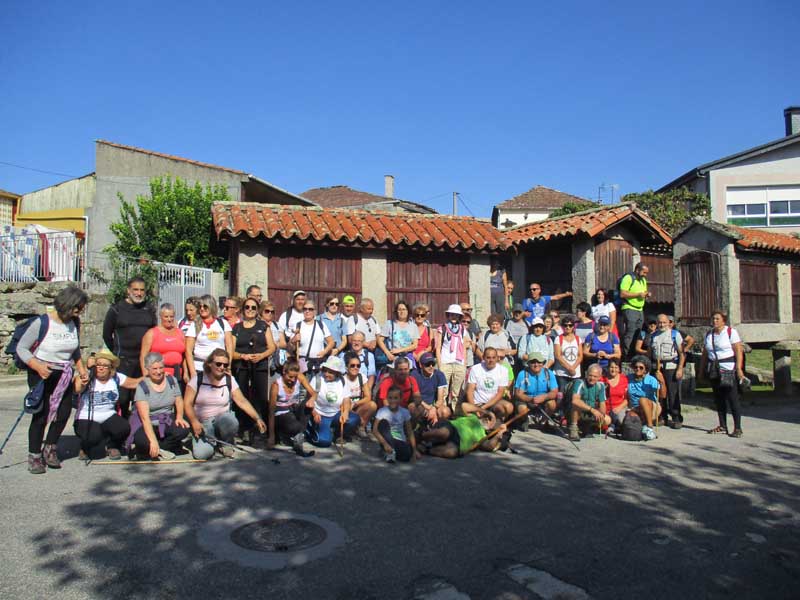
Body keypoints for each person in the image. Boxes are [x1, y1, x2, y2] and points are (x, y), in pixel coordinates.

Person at [17, 286, 89, 474]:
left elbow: (75, 350)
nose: (79, 311)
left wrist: (81, 369)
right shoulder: (42, 323)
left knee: (63, 413)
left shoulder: (74, 322)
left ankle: (50, 448)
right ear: (67, 304)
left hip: (64, 374)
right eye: (77, 308)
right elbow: (22, 348)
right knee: (41, 415)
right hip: (41, 373)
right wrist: (38, 366)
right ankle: (34, 455)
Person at [184, 349, 266, 460]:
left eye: (225, 365)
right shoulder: (197, 379)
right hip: (203, 423)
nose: (222, 367)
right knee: (202, 455)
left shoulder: (229, 379)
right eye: (218, 364)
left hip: (222, 419)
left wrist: (257, 418)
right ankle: (209, 440)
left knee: (231, 420)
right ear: (209, 363)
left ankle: (225, 442)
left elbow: (241, 401)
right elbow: (187, 403)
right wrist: (194, 422)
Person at [102, 276, 157, 417]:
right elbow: (107, 335)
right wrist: (116, 352)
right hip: (123, 360)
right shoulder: (116, 309)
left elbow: (154, 333)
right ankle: (121, 428)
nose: (139, 293)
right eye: (135, 290)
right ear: (128, 291)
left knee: (142, 396)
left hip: (143, 361)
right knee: (122, 398)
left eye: (142, 290)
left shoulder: (149, 309)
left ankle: (138, 429)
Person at [73, 350, 139, 460]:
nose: (101, 368)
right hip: (85, 418)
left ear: (111, 368)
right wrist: (85, 373)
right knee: (97, 453)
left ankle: (112, 446)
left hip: (108, 416)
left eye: (105, 365)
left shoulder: (116, 377)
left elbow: (135, 383)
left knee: (124, 427)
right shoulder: (89, 376)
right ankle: (86, 446)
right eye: (98, 364)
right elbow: (77, 388)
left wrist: (153, 376)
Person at [129, 352, 191, 459]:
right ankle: (159, 446)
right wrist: (152, 441)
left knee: (183, 428)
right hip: (147, 421)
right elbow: (145, 418)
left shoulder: (172, 380)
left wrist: (180, 416)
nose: (158, 372)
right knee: (142, 442)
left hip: (165, 417)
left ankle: (160, 448)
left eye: (161, 368)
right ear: (147, 369)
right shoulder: (142, 386)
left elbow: (179, 400)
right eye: (154, 369)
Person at [232, 298, 277, 442]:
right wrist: (242, 356)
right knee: (242, 397)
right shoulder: (237, 328)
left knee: (261, 398)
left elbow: (272, 347)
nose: (250, 309)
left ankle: (260, 428)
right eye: (247, 307)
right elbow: (231, 352)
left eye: (253, 307)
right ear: (243, 309)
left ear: (257, 310)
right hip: (242, 367)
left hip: (260, 367)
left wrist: (261, 356)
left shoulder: (263, 326)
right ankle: (243, 428)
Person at [699, 311, 745, 438]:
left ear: (723, 320)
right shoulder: (709, 334)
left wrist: (739, 368)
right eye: (713, 318)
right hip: (714, 369)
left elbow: (738, 350)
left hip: (728, 369)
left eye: (717, 319)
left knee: (732, 398)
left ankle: (738, 428)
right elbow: (705, 353)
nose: (715, 321)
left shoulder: (730, 332)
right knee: (718, 399)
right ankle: (722, 425)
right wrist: (701, 370)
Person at [306, 356, 360, 447]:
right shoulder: (317, 379)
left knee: (354, 419)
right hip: (321, 414)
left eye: (330, 372)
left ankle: (337, 435)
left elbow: (346, 399)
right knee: (324, 442)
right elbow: (309, 400)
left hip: (335, 414)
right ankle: (311, 431)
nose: (326, 374)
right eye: (325, 370)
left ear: (337, 373)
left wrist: (346, 412)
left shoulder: (342, 381)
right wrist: (314, 413)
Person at [267, 359, 315, 456]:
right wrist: (271, 436)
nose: (293, 380)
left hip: (293, 409)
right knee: (294, 426)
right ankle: (288, 434)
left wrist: (312, 399)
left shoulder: (299, 377)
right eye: (290, 377)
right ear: (284, 372)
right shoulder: (276, 385)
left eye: (295, 377)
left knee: (307, 405)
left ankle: (298, 435)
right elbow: (271, 412)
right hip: (280, 414)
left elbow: (313, 393)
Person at [184, 295, 234, 381]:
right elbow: (188, 351)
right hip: (199, 367)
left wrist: (227, 366)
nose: (202, 309)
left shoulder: (223, 323)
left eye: (205, 306)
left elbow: (229, 347)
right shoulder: (194, 325)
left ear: (211, 306)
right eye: (200, 306)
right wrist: (192, 372)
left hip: (219, 367)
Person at [419, 410, 507, 458]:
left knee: (451, 452)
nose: (489, 420)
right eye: (490, 418)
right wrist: (484, 411)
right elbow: (464, 406)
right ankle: (419, 436)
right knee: (444, 432)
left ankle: (426, 449)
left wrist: (499, 433)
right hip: (452, 427)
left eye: (493, 422)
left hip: (458, 443)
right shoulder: (473, 417)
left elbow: (489, 446)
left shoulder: (483, 436)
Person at [650, 313, 685, 429]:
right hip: (658, 366)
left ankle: (676, 418)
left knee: (672, 393)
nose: (662, 324)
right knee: (659, 392)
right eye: (659, 322)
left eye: (664, 322)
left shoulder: (675, 334)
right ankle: (662, 416)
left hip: (671, 366)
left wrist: (680, 368)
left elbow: (681, 353)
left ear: (668, 323)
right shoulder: (653, 335)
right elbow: (650, 353)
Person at [435, 304, 473, 409]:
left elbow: (464, 346)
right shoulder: (442, 329)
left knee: (457, 392)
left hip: (459, 363)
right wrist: (440, 364)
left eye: (456, 315)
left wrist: (464, 363)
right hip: (445, 363)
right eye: (452, 314)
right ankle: (443, 413)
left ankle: (455, 412)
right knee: (443, 391)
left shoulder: (462, 329)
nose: (454, 317)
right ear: (448, 315)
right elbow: (438, 348)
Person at [461, 347, 512, 421]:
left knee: (508, 407)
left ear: (497, 358)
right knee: (465, 407)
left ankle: (496, 420)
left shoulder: (503, 370)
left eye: (493, 357)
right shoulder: (475, 369)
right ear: (483, 357)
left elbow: (500, 393)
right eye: (488, 358)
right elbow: (470, 391)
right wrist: (475, 409)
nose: (491, 360)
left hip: (493, 403)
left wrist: (484, 407)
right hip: (477, 402)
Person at [139, 303, 186, 381]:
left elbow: (184, 355)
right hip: (158, 375)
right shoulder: (152, 333)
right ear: (160, 316)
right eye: (166, 316)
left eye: (171, 317)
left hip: (177, 375)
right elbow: (143, 355)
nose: (169, 319)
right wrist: (146, 374)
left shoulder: (180, 333)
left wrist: (186, 373)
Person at [373, 386, 420, 463]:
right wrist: (385, 444)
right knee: (383, 423)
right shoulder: (382, 411)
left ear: (401, 399)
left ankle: (389, 452)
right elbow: (375, 430)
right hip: (386, 439)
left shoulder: (405, 412)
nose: (392, 400)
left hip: (400, 440)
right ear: (387, 398)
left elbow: (410, 432)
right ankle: (389, 451)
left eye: (395, 398)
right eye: (390, 398)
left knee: (406, 457)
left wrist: (414, 451)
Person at [514, 351, 559, 430]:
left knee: (552, 404)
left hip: (543, 399)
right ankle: (525, 420)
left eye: (539, 362)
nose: (536, 364)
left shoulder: (549, 373)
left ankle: (543, 421)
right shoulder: (523, 374)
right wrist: (531, 399)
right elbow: (518, 394)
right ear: (528, 363)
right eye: (533, 362)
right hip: (528, 399)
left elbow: (554, 392)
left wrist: (544, 397)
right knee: (521, 408)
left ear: (543, 363)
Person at [567, 364, 611, 442]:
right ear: (586, 374)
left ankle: (589, 427)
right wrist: (593, 410)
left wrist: (601, 415)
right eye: (590, 375)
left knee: (607, 420)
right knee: (576, 404)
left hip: (589, 413)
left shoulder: (601, 386)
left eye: (595, 376)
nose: (592, 378)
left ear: (600, 377)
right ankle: (573, 427)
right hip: (576, 412)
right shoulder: (579, 383)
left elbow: (602, 403)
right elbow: (575, 400)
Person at [289, 300, 334, 375]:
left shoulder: (321, 325)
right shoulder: (298, 325)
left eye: (310, 309)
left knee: (317, 386)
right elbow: (290, 347)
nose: (307, 311)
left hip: (318, 364)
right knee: (302, 386)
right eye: (305, 309)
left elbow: (331, 342)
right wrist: (293, 340)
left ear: (314, 312)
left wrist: (324, 352)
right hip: (302, 365)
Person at [342, 351, 378, 438]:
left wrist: (355, 404)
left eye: (358, 365)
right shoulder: (342, 379)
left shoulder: (362, 377)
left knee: (372, 405)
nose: (356, 368)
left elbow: (368, 397)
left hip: (357, 406)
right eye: (352, 365)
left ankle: (361, 427)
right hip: (345, 407)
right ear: (347, 367)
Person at [626, 355, 661, 441]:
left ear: (645, 369)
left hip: (652, 407)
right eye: (635, 367)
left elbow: (663, 395)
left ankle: (649, 427)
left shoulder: (651, 380)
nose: (638, 369)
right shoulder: (628, 378)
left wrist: (662, 381)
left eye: (641, 367)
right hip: (635, 408)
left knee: (642, 400)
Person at [619, 263, 650, 358]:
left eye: (646, 273)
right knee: (630, 333)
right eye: (644, 272)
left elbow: (643, 292)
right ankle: (627, 357)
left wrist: (646, 294)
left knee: (638, 333)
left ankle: (635, 355)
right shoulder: (628, 278)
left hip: (640, 309)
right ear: (637, 270)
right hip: (629, 308)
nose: (645, 275)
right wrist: (638, 295)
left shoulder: (643, 280)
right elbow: (622, 294)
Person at [377, 300, 419, 369]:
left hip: (407, 358)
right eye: (399, 309)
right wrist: (387, 353)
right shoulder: (389, 324)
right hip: (393, 359)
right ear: (396, 311)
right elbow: (380, 340)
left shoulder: (413, 326)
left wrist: (400, 350)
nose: (402, 312)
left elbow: (414, 345)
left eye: (404, 309)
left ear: (408, 311)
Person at [411, 352, 450, 421]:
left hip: (433, 405)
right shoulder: (414, 375)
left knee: (445, 411)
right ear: (420, 365)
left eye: (433, 364)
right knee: (414, 408)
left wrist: (434, 408)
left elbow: (440, 399)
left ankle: (439, 426)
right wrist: (429, 408)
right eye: (427, 364)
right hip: (419, 403)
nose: (431, 366)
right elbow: (415, 397)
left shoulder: (439, 375)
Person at [553, 315, 582, 397]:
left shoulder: (577, 339)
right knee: (561, 396)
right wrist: (569, 368)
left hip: (575, 373)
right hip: (561, 373)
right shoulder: (558, 339)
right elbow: (558, 356)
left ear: (573, 327)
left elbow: (580, 355)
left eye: (570, 325)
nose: (568, 327)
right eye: (565, 325)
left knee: (574, 395)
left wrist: (573, 368)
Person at [602, 358, 628, 433]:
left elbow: (627, 399)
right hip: (605, 408)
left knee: (621, 420)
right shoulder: (602, 379)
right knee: (604, 422)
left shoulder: (624, 379)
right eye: (611, 367)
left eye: (616, 367)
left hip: (619, 408)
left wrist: (620, 407)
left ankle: (615, 425)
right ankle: (610, 425)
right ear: (608, 368)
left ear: (619, 369)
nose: (613, 370)